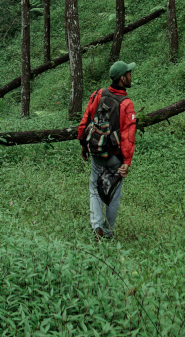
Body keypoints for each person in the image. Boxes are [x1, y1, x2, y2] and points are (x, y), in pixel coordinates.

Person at [77, 60, 137, 240]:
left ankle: (96, 226)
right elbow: (128, 136)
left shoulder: (98, 94)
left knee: (94, 187)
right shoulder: (126, 104)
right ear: (122, 78)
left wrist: (83, 144)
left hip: (97, 151)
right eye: (129, 73)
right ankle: (108, 232)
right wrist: (127, 162)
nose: (131, 76)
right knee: (114, 193)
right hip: (115, 156)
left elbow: (85, 120)